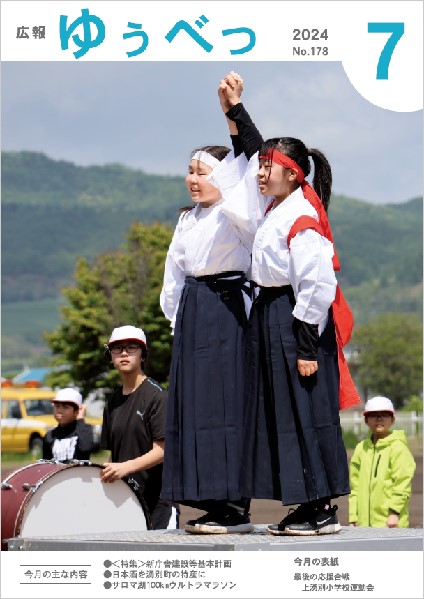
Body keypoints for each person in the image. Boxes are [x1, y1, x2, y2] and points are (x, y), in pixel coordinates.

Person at [217, 71, 361, 536]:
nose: (259, 173)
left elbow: (317, 285)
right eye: (260, 167)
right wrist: (235, 111)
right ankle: (304, 502)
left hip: (296, 320)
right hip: (271, 314)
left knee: (305, 413)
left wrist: (303, 346)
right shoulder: (280, 205)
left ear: (292, 173)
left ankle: (320, 508)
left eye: (267, 168)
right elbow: (255, 148)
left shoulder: (302, 215)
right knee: (281, 413)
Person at [159, 142, 260, 534]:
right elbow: (173, 276)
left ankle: (235, 504)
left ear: (223, 178)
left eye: (202, 173)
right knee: (195, 409)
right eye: (190, 171)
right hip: (193, 310)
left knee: (226, 407)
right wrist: (177, 323)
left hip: (228, 307)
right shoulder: (187, 220)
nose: (192, 180)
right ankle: (210, 501)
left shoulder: (237, 214)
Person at [100, 325, 177, 530]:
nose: (124, 353)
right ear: (111, 356)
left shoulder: (158, 396)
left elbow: (163, 451)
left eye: (132, 347)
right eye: (117, 348)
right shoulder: (112, 401)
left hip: (158, 503)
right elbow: (113, 456)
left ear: (143, 355)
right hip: (124, 501)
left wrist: (125, 467)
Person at [349, 396, 416, 528]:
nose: (379, 419)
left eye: (384, 415)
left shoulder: (398, 448)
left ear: (392, 419)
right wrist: (353, 516)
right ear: (366, 420)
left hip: (390, 523)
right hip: (363, 524)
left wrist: (394, 512)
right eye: (373, 415)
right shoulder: (361, 449)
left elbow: (402, 483)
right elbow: (354, 486)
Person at [42, 387, 94, 462]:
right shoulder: (50, 435)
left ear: (77, 411)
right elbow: (45, 464)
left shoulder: (85, 430)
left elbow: (85, 448)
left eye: (65, 407)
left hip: (79, 473)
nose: (59, 410)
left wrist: (80, 419)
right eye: (57, 406)